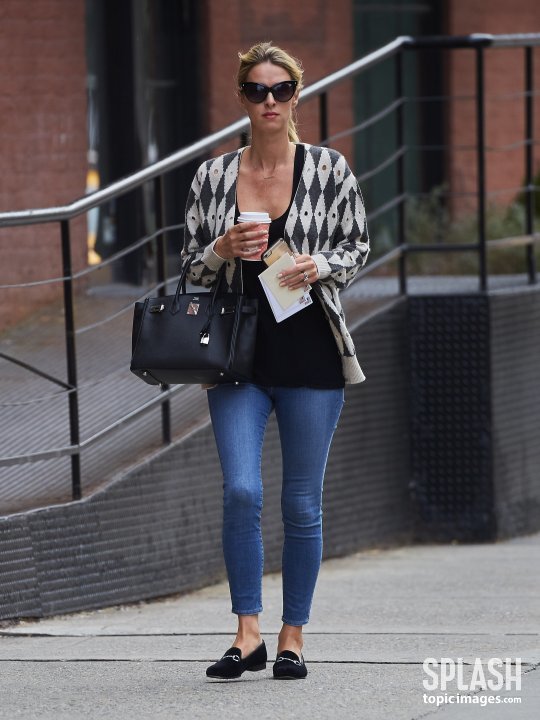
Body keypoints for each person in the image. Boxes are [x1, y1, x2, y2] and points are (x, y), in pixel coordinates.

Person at [182, 41, 369, 680]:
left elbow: (358, 245)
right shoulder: (212, 177)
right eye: (258, 90)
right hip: (235, 355)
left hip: (311, 350)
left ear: (296, 95)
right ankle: (247, 633)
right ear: (242, 97)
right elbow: (189, 267)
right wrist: (222, 249)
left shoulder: (328, 169)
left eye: (281, 89)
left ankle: (293, 636)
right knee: (241, 490)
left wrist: (322, 264)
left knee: (301, 503)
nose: (269, 100)